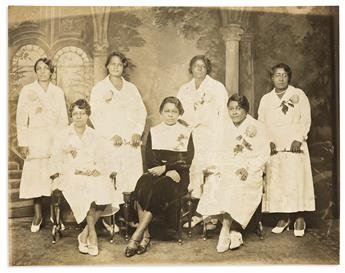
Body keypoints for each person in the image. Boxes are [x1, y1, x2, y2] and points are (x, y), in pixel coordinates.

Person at [197, 94, 270, 252]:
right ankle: (234, 231)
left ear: (246, 110)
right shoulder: (224, 126)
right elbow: (218, 151)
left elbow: (264, 154)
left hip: (250, 171)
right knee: (215, 181)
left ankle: (225, 231)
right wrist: (219, 167)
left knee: (234, 184)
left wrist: (248, 168)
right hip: (228, 167)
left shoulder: (257, 126)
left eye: (238, 108)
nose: (234, 112)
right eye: (231, 109)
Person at [50, 99, 122, 256]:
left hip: (91, 172)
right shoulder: (63, 135)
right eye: (75, 113)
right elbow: (56, 160)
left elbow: (103, 158)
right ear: (71, 116)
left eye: (82, 113)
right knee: (87, 189)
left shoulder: (95, 135)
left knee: (104, 188)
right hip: (71, 175)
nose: (79, 116)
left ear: (88, 115)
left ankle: (84, 234)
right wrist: (75, 169)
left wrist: (96, 169)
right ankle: (93, 236)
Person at [124, 96, 194, 257]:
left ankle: (137, 236)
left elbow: (187, 159)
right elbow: (150, 158)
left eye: (174, 111)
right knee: (142, 183)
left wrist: (168, 168)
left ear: (179, 114)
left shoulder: (185, 132)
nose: (170, 115)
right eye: (167, 111)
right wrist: (163, 169)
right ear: (161, 113)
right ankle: (146, 235)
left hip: (179, 175)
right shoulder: (155, 131)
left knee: (156, 189)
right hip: (158, 170)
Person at [89, 51, 147, 230]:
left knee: (131, 180)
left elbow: (141, 112)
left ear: (123, 67)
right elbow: (95, 116)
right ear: (107, 66)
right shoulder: (99, 88)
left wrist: (137, 132)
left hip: (130, 143)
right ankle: (109, 217)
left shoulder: (131, 88)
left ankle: (128, 218)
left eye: (119, 64)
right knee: (113, 179)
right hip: (111, 143)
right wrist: (110, 135)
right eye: (112, 64)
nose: (116, 67)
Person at [258, 63, 315, 237]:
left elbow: (305, 118)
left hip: (294, 144)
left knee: (295, 180)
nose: (281, 78)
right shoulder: (266, 99)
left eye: (284, 75)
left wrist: (299, 138)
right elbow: (261, 122)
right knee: (278, 181)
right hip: (275, 145)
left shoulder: (298, 94)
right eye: (277, 75)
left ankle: (299, 217)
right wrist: (267, 141)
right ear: (272, 77)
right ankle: (283, 217)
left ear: (288, 77)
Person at [16, 57, 68, 232]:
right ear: (35, 71)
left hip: (54, 139)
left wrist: (62, 141)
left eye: (46, 68)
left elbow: (63, 118)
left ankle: (56, 216)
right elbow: (22, 120)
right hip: (35, 138)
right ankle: (38, 215)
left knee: (54, 177)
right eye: (39, 68)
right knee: (36, 178)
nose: (43, 71)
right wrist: (23, 143)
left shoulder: (57, 92)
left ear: (51, 71)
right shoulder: (27, 90)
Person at [177, 55, 228, 228]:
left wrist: (220, 138)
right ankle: (197, 212)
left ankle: (211, 216)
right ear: (190, 69)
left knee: (211, 171)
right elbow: (179, 113)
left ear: (207, 69)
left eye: (203, 66)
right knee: (194, 172)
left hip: (212, 136)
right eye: (196, 66)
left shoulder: (217, 87)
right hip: (192, 136)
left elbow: (224, 115)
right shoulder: (184, 89)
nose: (199, 69)